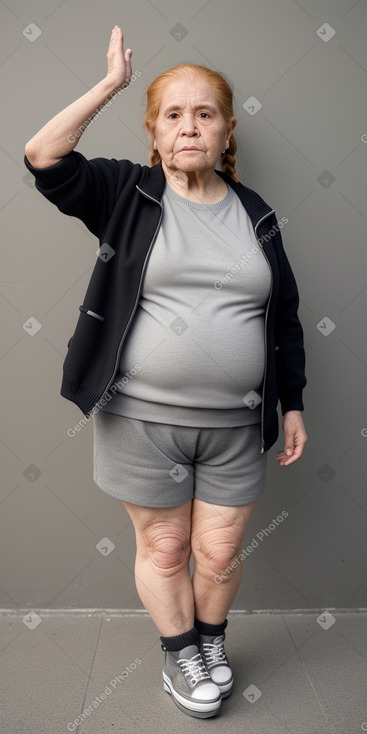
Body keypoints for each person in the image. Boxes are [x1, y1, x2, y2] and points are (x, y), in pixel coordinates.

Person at [24, 25, 307, 719]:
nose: (189, 126)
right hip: (140, 421)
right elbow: (42, 156)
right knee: (166, 545)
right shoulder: (128, 192)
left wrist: (292, 402)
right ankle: (179, 654)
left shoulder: (255, 213)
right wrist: (109, 86)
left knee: (216, 553)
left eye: (204, 113)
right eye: (172, 114)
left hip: (237, 422)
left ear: (226, 130)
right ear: (153, 131)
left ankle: (210, 643)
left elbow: (285, 316)